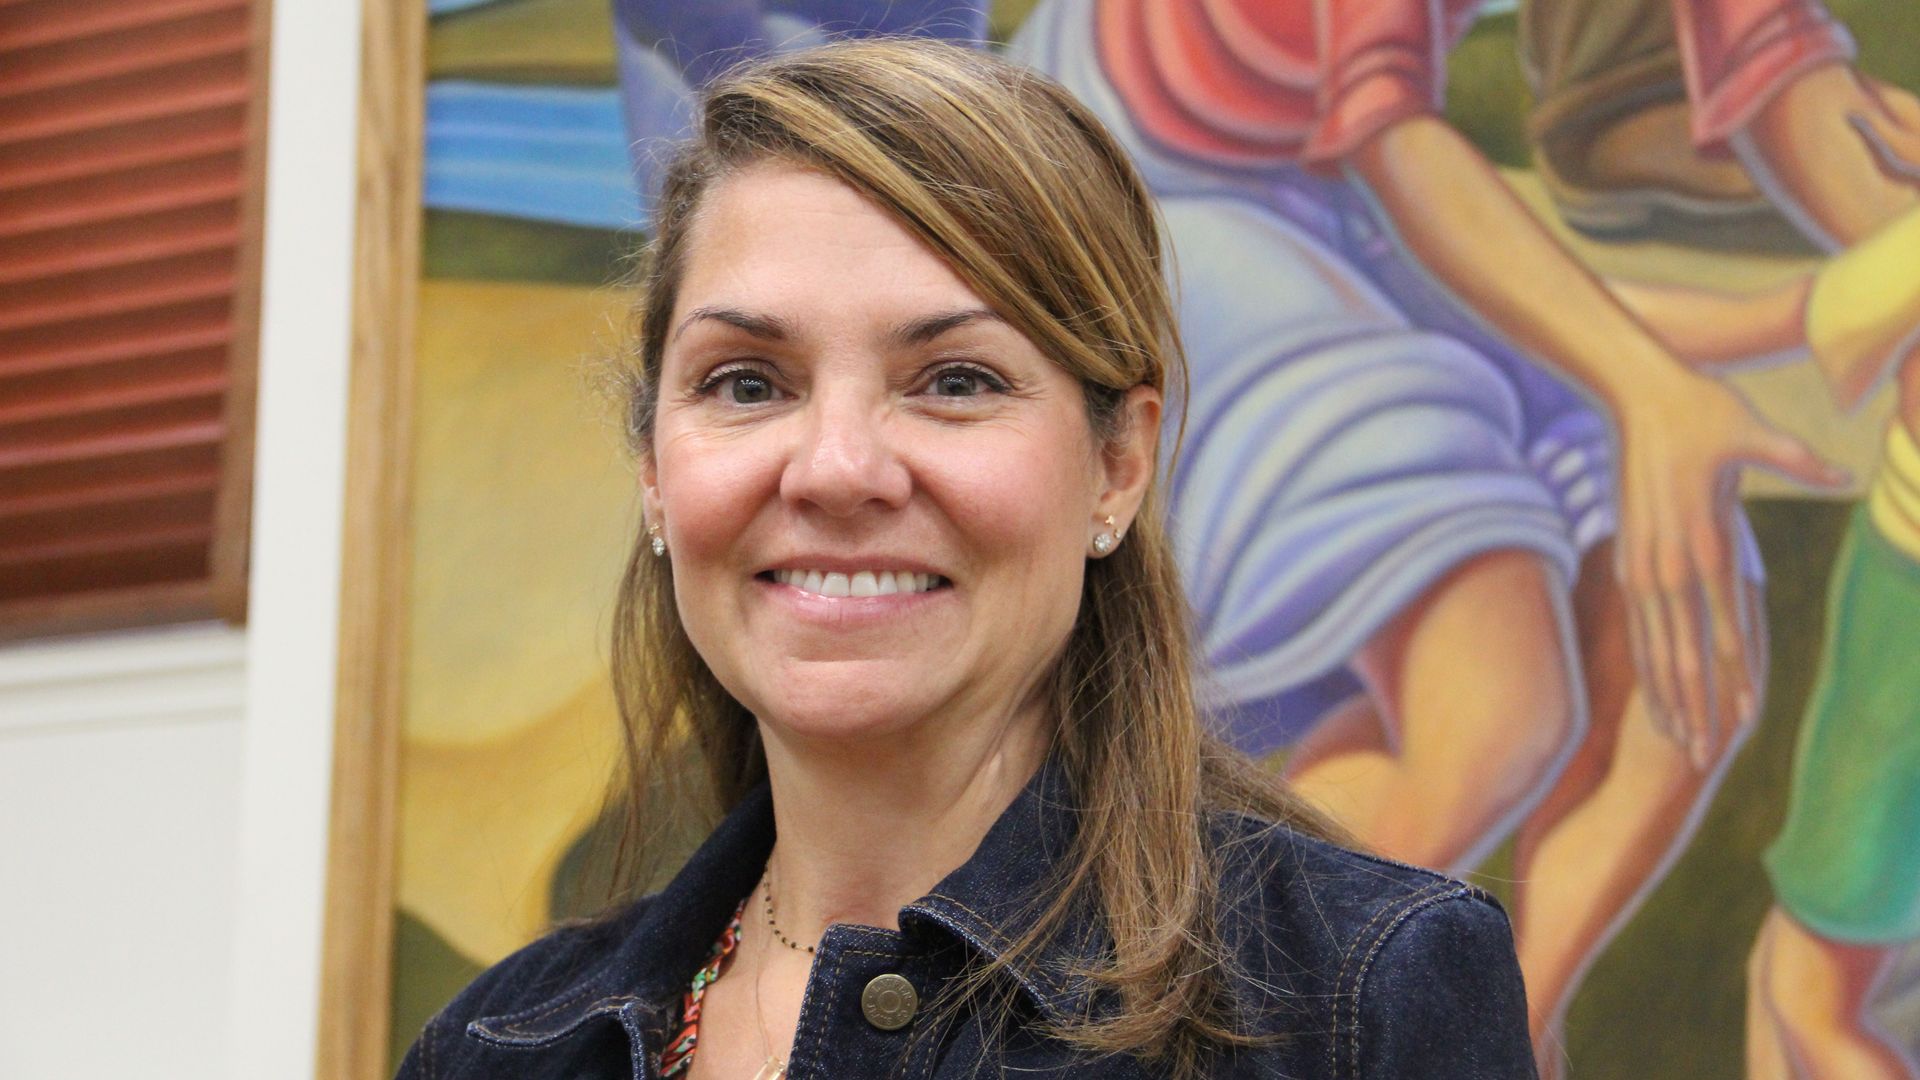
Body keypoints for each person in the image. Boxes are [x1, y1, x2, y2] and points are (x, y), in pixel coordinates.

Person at [395, 36, 1539, 1079]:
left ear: (1118, 467)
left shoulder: (1355, 998)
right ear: (655, 468)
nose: (836, 470)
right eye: (747, 383)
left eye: (956, 381)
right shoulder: (499, 1047)